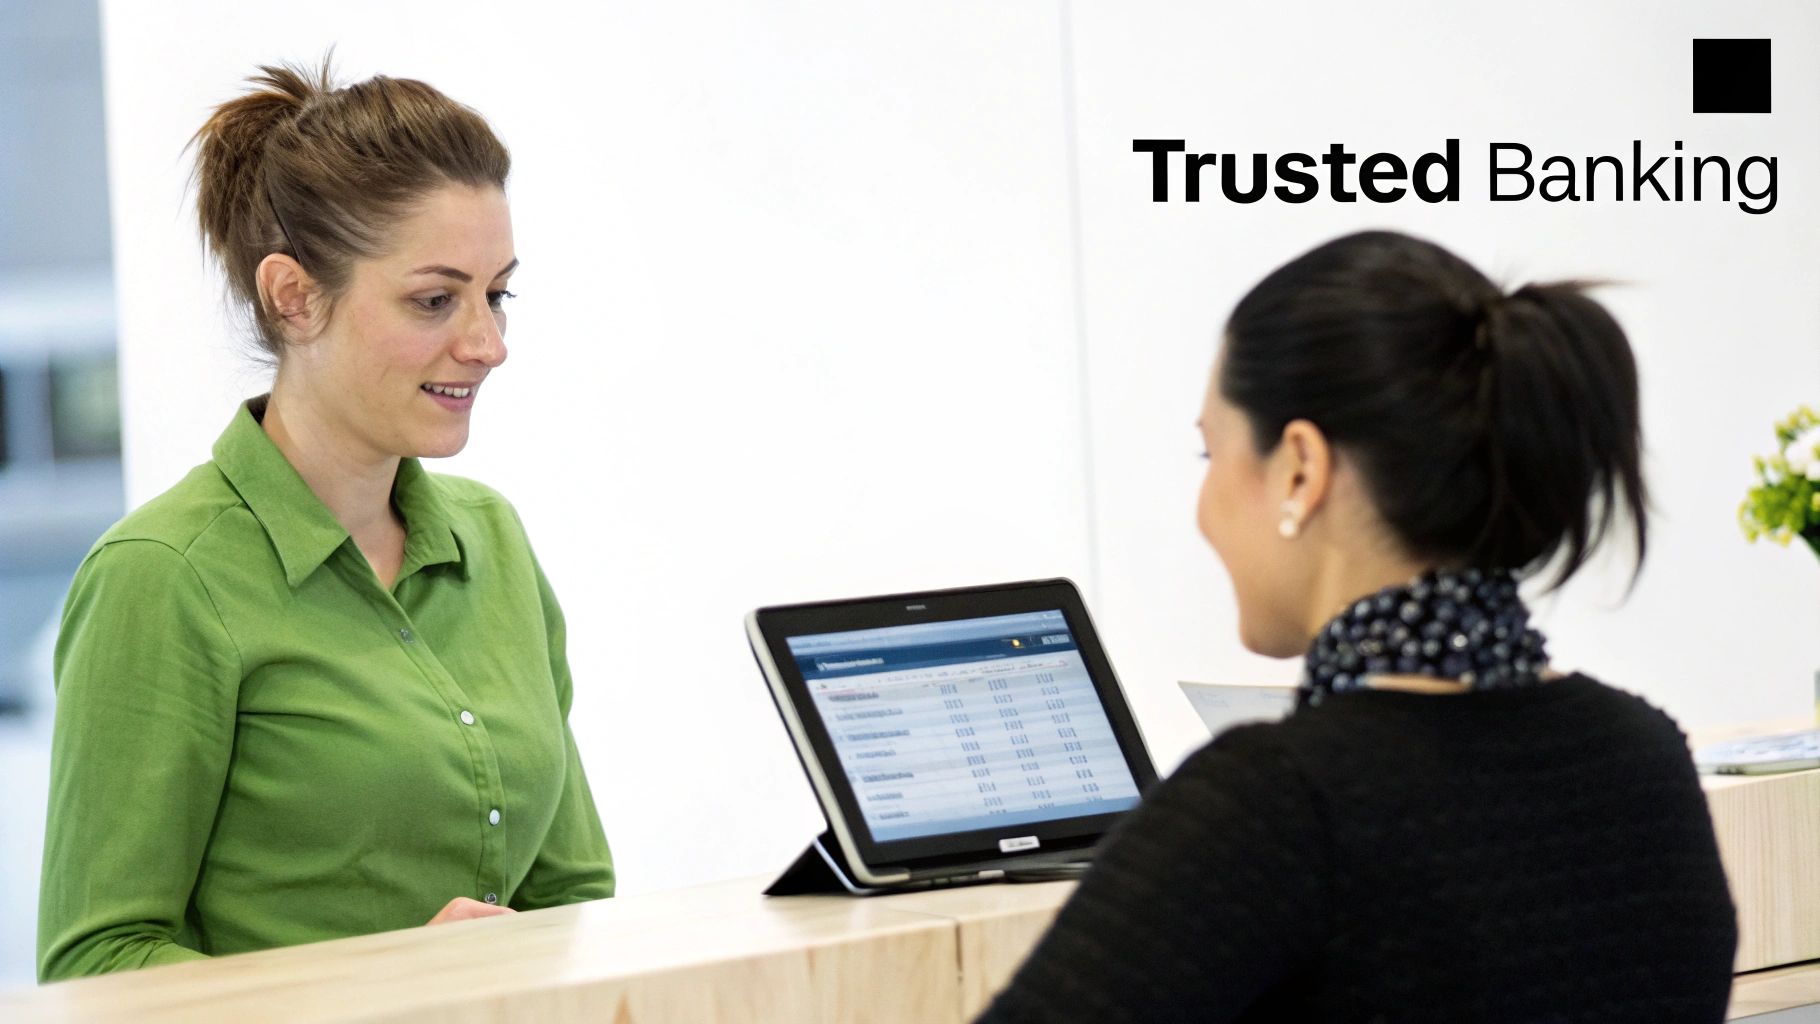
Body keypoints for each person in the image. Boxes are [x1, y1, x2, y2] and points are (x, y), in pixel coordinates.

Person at [976, 231, 1737, 1022]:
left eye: (1210, 455)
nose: (1202, 510)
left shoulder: (1277, 804)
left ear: (1300, 468)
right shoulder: (1643, 759)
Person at [37, 59, 614, 982]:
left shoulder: (490, 541)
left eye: (496, 293)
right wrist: (385, 985)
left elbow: (573, 897)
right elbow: (98, 967)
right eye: (435, 299)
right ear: (294, 297)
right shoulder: (163, 576)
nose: (489, 344)